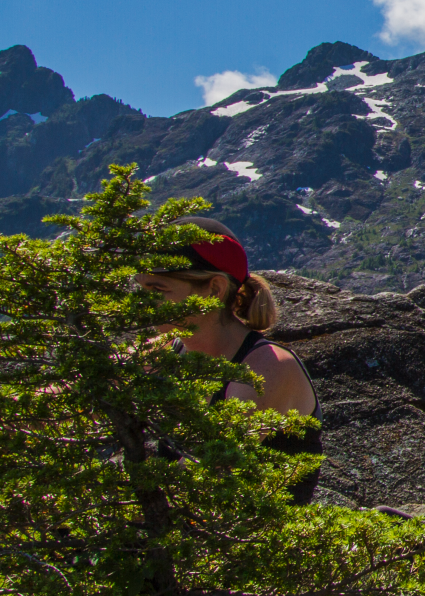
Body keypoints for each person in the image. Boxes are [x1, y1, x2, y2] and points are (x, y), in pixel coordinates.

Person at [133, 216, 323, 503]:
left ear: (214, 289)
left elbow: (206, 471)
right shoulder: (165, 350)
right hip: (189, 538)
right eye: (142, 289)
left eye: (158, 290)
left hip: (257, 541)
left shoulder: (266, 368)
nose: (142, 303)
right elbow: (82, 387)